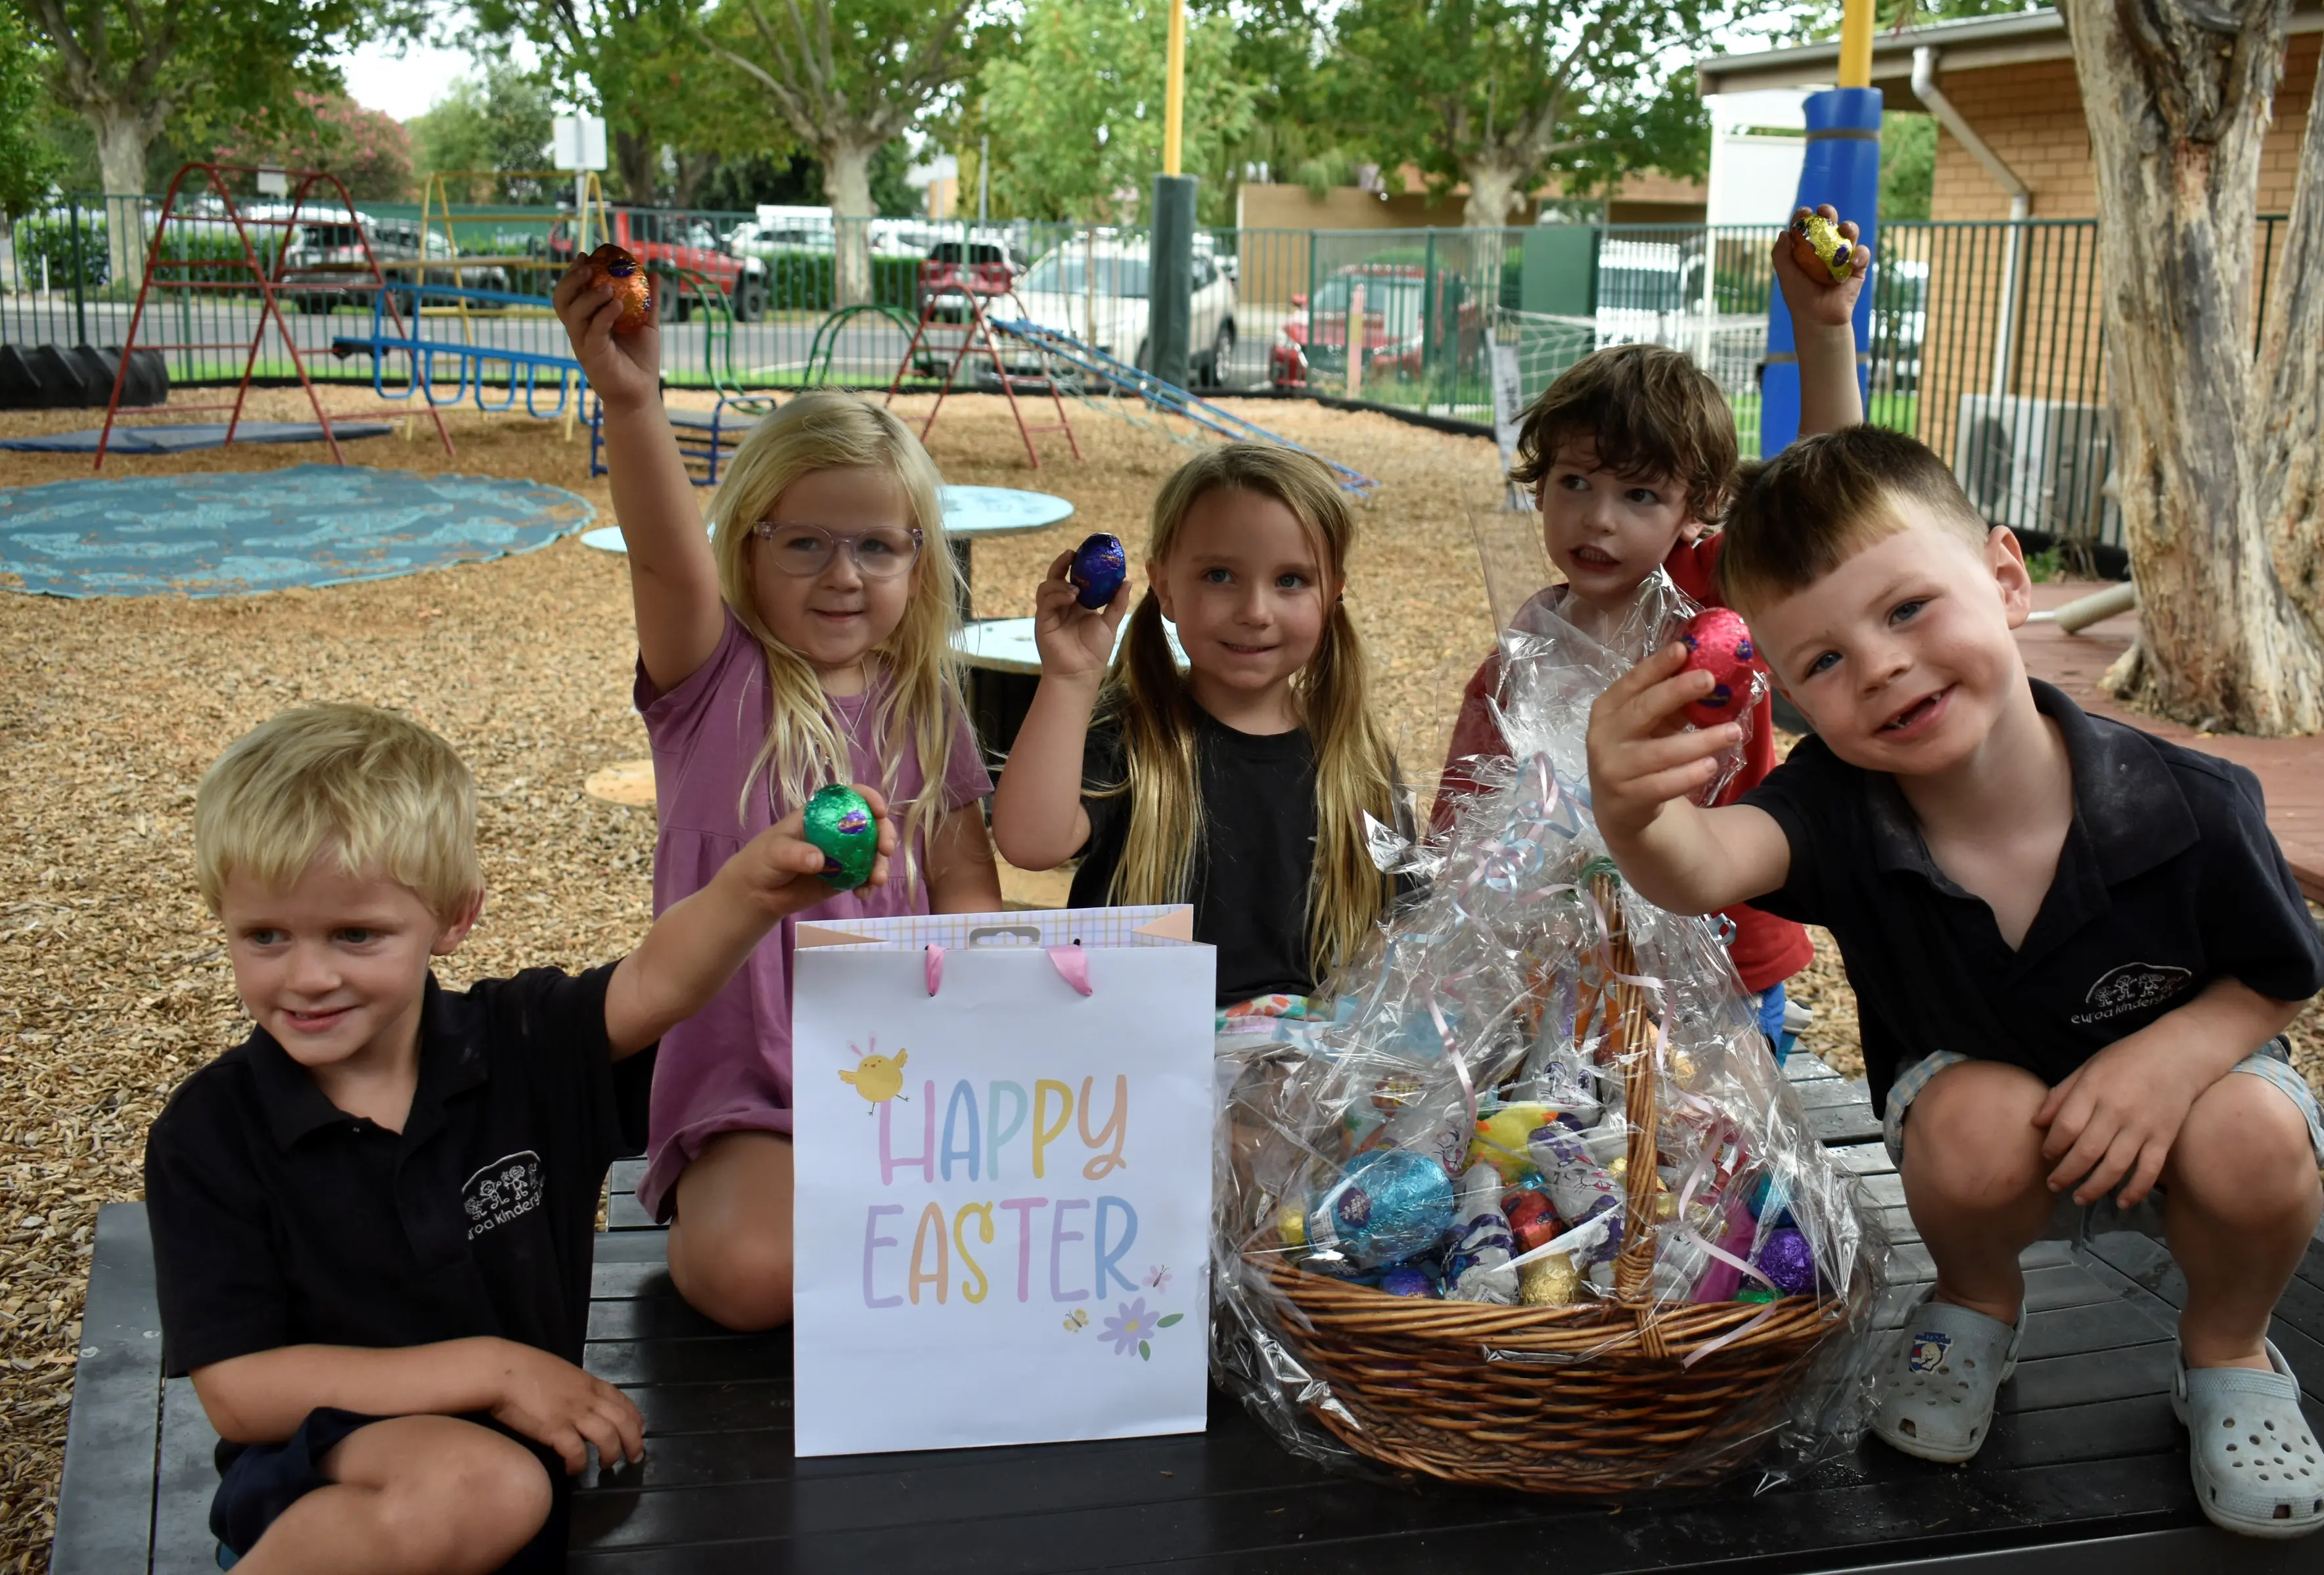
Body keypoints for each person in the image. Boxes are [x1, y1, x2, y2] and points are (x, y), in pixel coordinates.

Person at [1584, 254, 2324, 1535]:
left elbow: (2280, 971)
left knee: (2256, 1136)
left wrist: (2165, 1064)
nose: (1879, 665)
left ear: (2005, 576)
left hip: (2190, 1107)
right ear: (1790, 688)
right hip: (1990, 1132)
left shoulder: (2189, 800)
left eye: (1911, 607)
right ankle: (1977, 1300)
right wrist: (1631, 805)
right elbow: (1701, 869)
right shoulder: (1840, 801)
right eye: (1822, 656)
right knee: (1966, 1122)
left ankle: (2231, 1356)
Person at [145, 703, 887, 1572]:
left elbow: (655, 982)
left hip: (524, 1470)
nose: (308, 976)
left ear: (455, 917)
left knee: (505, 1489)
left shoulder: (520, 1048)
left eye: (356, 934)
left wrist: (749, 891)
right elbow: (240, 1393)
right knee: (487, 1484)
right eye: (264, 936)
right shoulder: (212, 1132)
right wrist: (496, 1371)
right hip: (326, 1479)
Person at [555, 258, 1000, 1333]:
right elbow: (665, 564)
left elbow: (966, 881)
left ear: (917, 562)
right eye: (804, 542)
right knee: (753, 1276)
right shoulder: (711, 680)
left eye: (876, 547)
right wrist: (632, 404)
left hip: (909, 1082)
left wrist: (993, 1007)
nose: (842, 575)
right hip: (748, 1092)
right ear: (747, 549)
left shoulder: (924, 702)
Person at [1431, 213, 1875, 1051]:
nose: (1598, 520)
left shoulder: (1708, 594)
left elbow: (1831, 508)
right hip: (1571, 979)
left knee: (1716, 1162)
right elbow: (1464, 811)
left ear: (1695, 507)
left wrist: (1824, 336)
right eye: (1575, 482)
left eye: (1640, 495)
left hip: (1723, 959)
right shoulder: (1523, 650)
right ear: (1539, 484)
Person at [991, 442, 1407, 1049]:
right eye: (1220, 576)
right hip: (1134, 1076)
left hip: (1305, 1095)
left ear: (1334, 591)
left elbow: (1402, 945)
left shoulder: (1359, 761)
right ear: (1163, 585)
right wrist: (1070, 678)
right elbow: (1030, 843)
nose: (1254, 611)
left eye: (1290, 580)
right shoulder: (1134, 734)